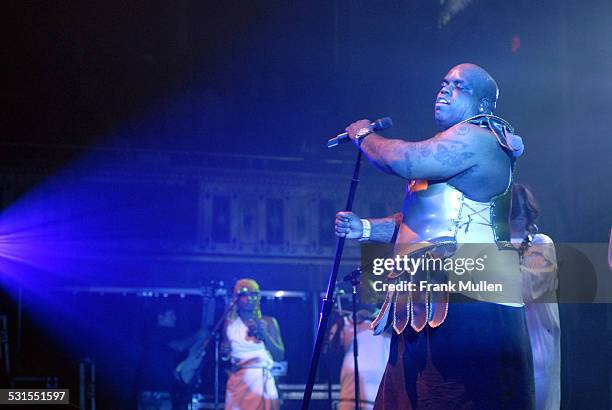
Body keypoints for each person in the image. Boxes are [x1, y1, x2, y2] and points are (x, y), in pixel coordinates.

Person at [335, 63, 534, 409]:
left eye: (459, 86)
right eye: (443, 82)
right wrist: (365, 229)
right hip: (425, 299)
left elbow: (406, 161)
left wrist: (365, 136)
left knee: (451, 397)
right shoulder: (450, 146)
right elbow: (422, 222)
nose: (444, 89)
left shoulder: (481, 138)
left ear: (483, 103)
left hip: (470, 301)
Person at [511, 183, 560, 410]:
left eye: (518, 215)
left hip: (535, 344)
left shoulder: (541, 244)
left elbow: (526, 289)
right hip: (504, 345)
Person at [223, 278, 284, 410]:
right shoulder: (229, 325)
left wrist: (264, 334)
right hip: (238, 383)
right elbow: (224, 355)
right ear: (236, 298)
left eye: (254, 294)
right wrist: (224, 353)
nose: (251, 298)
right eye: (246, 295)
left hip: (262, 382)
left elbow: (279, 355)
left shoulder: (269, 322)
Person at [328, 307, 391, 410]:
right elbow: (331, 348)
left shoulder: (391, 321)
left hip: (378, 393)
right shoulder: (346, 322)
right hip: (350, 393)